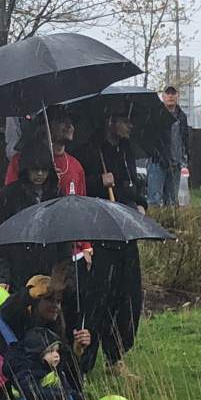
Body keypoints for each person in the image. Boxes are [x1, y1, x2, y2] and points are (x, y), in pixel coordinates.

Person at [78, 108, 146, 381]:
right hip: (100, 230)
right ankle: (84, 362)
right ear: (110, 122)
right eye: (125, 121)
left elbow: (133, 184)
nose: (130, 126)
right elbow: (83, 192)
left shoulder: (127, 150)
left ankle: (116, 356)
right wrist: (99, 182)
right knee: (99, 298)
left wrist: (141, 203)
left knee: (128, 295)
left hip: (126, 229)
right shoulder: (92, 150)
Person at [0, 272, 91, 400]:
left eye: (58, 301)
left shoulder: (53, 328)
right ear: (34, 300)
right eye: (49, 299)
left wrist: (77, 350)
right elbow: (8, 310)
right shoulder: (14, 318)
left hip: (36, 391)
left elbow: (67, 371)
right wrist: (28, 293)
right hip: (3, 386)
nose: (56, 306)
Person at [0, 145, 70, 292]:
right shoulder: (9, 196)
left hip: (49, 267)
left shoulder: (57, 194)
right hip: (19, 267)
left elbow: (64, 239)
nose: (40, 174)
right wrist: (2, 277)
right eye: (35, 169)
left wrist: (61, 272)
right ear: (26, 169)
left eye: (44, 170)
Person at [3, 107, 87, 196]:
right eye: (62, 121)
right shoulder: (20, 160)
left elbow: (80, 204)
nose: (69, 126)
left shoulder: (76, 166)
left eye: (71, 122)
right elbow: (10, 198)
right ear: (45, 127)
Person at [147, 85, 190, 207]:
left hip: (176, 165)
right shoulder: (155, 114)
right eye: (168, 93)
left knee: (172, 203)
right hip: (157, 163)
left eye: (173, 93)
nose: (170, 96)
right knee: (154, 200)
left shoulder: (182, 117)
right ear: (163, 96)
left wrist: (185, 159)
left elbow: (185, 140)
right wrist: (158, 155)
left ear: (177, 96)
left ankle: (170, 225)